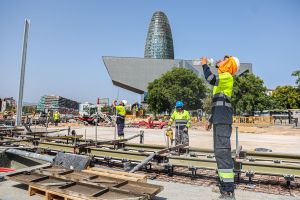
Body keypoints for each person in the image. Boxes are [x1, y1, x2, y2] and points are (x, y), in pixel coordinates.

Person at [201, 55, 240, 199]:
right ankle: (224, 186)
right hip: (219, 119)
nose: (219, 60)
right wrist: (211, 119)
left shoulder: (227, 76)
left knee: (222, 152)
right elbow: (218, 104)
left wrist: (205, 65)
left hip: (223, 119)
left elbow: (210, 79)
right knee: (219, 152)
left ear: (229, 65)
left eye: (224, 59)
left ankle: (228, 191)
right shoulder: (221, 81)